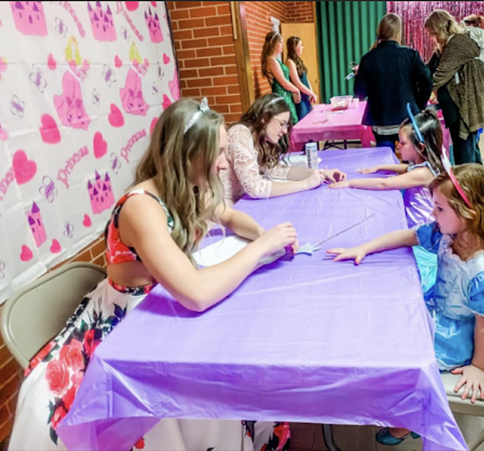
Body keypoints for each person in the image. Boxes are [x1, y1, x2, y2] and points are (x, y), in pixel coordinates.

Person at [9, 99, 296, 451]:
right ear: (187, 153)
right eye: (217, 152)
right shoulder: (140, 207)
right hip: (129, 326)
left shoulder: (191, 187)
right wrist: (261, 248)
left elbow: (231, 217)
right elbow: (196, 293)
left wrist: (261, 234)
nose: (224, 163)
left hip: (161, 311)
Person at [328, 164, 484, 446]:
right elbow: (411, 235)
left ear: (469, 213)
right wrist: (365, 247)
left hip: (463, 338)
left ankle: (410, 418)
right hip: (439, 310)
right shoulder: (449, 235)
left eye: (439, 209)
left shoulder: (481, 271)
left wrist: (478, 367)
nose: (431, 214)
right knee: (388, 321)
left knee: (401, 354)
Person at [329, 106, 443, 295]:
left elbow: (384, 185)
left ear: (420, 147)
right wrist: (379, 166)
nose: (397, 146)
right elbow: (404, 170)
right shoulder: (424, 165)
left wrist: (350, 183)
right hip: (415, 228)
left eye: (403, 143)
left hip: (421, 235)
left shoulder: (423, 173)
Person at [220, 94, 346, 205]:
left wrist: (319, 174)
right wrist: (306, 184)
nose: (285, 131)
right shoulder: (240, 134)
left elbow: (276, 169)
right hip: (225, 206)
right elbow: (255, 188)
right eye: (281, 124)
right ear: (264, 118)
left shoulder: (260, 138)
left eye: (286, 126)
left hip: (240, 203)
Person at [354, 13, 432, 151]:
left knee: (386, 163)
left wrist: (359, 75)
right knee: (410, 162)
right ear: (398, 32)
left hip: (381, 120)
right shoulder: (411, 54)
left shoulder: (368, 58)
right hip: (408, 117)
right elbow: (427, 78)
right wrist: (420, 103)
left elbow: (360, 93)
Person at [425, 10, 484, 165]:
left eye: (433, 33)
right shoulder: (448, 44)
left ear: (440, 29)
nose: (432, 38)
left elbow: (440, 76)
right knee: (467, 146)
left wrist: (419, 91)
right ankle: (476, 182)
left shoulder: (457, 43)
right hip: (459, 105)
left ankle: (467, 185)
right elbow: (428, 68)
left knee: (464, 150)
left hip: (466, 105)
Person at [261, 31, 300, 125]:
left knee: (292, 121)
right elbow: (284, 82)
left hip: (287, 95)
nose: (283, 45)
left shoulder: (276, 60)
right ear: (273, 43)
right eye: (280, 43)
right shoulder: (271, 60)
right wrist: (296, 90)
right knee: (289, 123)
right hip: (282, 96)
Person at [285, 36, 318, 121]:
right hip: (300, 98)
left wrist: (311, 92)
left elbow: (305, 79)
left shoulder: (298, 61)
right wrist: (311, 94)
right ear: (295, 47)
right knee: (303, 119)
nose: (303, 47)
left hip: (306, 96)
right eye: (301, 45)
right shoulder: (290, 62)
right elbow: (297, 83)